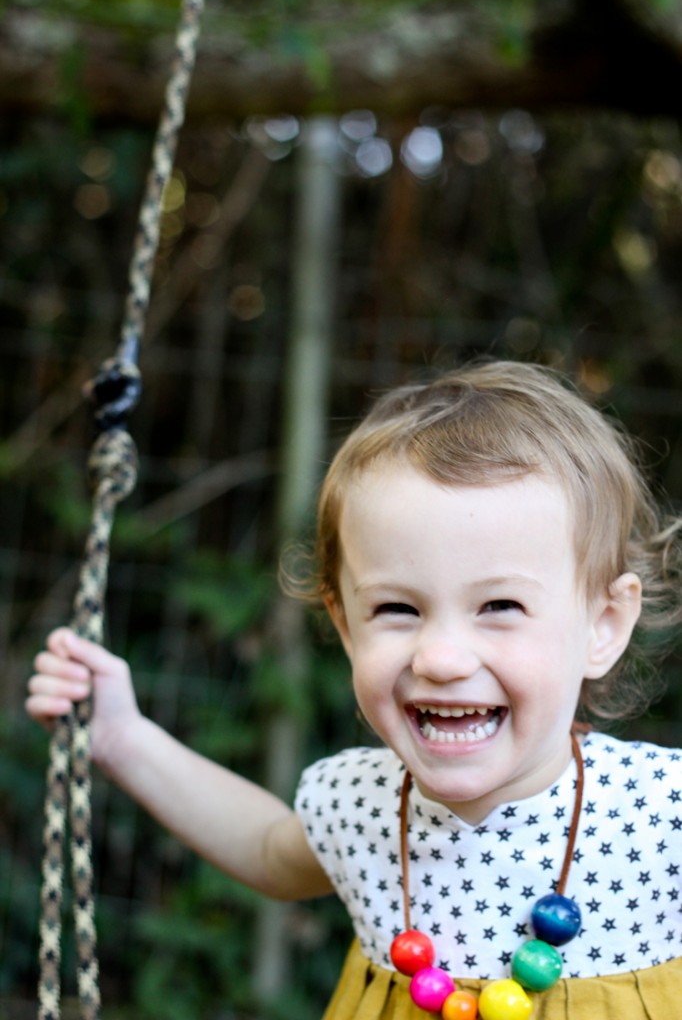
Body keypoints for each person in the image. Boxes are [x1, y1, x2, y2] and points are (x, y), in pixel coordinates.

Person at [27, 360, 682, 1020]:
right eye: (397, 608)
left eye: (499, 606)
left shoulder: (661, 811)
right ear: (345, 626)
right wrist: (122, 738)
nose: (441, 658)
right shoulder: (359, 805)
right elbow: (265, 850)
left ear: (603, 626)